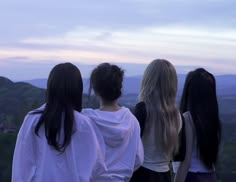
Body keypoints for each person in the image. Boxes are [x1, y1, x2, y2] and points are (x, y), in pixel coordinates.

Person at [12, 63, 106, 182]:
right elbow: (97, 169)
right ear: (77, 90)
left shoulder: (32, 120)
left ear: (51, 87)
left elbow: (21, 169)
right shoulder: (84, 124)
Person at [82, 63, 144, 182]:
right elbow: (138, 159)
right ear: (119, 89)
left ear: (95, 90)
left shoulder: (86, 120)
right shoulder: (131, 120)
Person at [130, 59, 182, 182]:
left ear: (148, 80)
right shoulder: (177, 116)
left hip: (141, 174)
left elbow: (131, 148)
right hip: (164, 175)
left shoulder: (143, 109)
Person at [173, 68, 221, 182]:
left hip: (192, 177)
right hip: (210, 176)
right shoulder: (211, 119)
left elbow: (185, 162)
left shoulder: (188, 118)